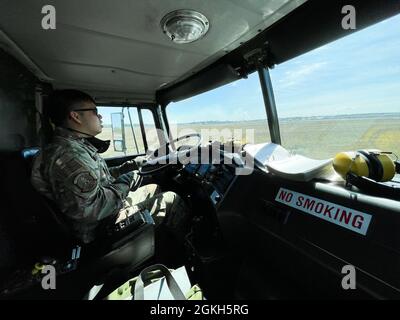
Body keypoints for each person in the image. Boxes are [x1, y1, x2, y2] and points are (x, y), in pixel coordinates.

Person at [31, 89, 189, 246]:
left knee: (154, 188)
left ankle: (157, 241)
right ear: (75, 116)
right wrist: (126, 183)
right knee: (171, 199)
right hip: (97, 229)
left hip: (105, 214)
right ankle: (180, 252)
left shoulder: (77, 145)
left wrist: (133, 165)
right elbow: (91, 209)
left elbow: (100, 177)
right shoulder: (67, 155)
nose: (100, 116)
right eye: (94, 111)